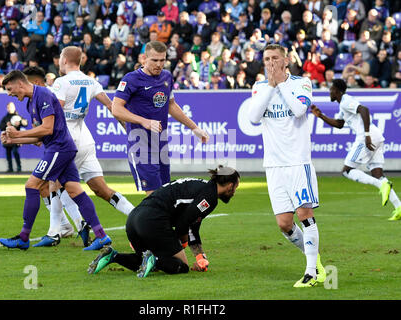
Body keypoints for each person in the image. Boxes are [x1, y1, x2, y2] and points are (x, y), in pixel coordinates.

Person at [31, 47, 135, 247]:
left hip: (66, 140)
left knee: (53, 183)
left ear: (64, 60)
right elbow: (112, 106)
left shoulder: (61, 82)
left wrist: (40, 133)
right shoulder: (91, 81)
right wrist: (126, 128)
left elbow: (56, 111)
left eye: (60, 58)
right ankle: (136, 214)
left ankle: (56, 231)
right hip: (86, 140)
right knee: (101, 189)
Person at [0, 70, 111, 251]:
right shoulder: (30, 104)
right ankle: (102, 236)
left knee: (32, 185)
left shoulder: (42, 94)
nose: (9, 93)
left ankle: (23, 237)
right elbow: (39, 137)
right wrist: (14, 140)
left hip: (59, 147)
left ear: (20, 84)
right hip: (59, 147)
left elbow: (48, 128)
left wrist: (19, 134)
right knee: (75, 191)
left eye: (10, 89)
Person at [248, 44, 326, 287]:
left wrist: (281, 83)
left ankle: (311, 272)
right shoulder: (259, 87)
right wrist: (271, 86)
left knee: (305, 215)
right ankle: (316, 262)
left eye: (275, 58)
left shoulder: (301, 83)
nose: (270, 63)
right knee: (284, 224)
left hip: (297, 162)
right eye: (267, 59)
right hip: (273, 165)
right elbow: (253, 117)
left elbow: (299, 109)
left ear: (286, 60)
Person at [87, 166, 240, 277]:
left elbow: (193, 225)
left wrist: (200, 257)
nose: (234, 192)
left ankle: (113, 256)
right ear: (230, 185)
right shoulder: (210, 197)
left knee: (147, 261)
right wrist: (181, 244)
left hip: (134, 218)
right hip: (152, 220)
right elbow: (183, 224)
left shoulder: (202, 187)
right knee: (181, 266)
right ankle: (155, 259)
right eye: (235, 187)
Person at [112, 41, 209, 196]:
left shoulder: (167, 76)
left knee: (165, 195)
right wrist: (144, 121)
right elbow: (116, 108)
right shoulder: (131, 79)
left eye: (162, 60)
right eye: (154, 60)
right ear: (144, 59)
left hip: (161, 143)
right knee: (155, 197)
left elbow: (171, 105)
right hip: (140, 143)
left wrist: (195, 128)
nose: (159, 64)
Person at [310, 79, 401, 221]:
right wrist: (321, 115)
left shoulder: (346, 100)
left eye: (331, 89)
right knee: (377, 173)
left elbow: (364, 109)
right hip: (376, 136)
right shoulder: (343, 106)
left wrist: (366, 135)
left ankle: (382, 185)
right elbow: (339, 124)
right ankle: (399, 207)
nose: (330, 92)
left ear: (337, 91)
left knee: (347, 171)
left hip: (367, 137)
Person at [0, 102, 28, 173]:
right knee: (8, 153)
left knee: (15, 152)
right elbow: (0, 127)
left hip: (16, 139)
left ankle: (19, 167)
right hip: (8, 138)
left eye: (11, 107)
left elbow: (25, 123)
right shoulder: (6, 118)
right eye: (8, 107)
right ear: (7, 108)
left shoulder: (17, 117)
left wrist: (20, 122)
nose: (10, 109)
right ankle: (10, 168)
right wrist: (7, 125)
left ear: (14, 108)